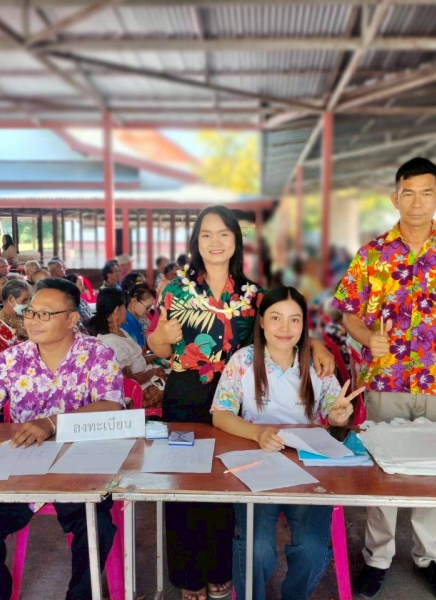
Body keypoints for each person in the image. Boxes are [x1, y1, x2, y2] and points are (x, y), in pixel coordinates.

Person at [148, 206, 335, 600]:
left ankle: (220, 570)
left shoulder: (252, 294)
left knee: (228, 486)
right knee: (184, 486)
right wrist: (162, 337)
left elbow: (283, 328)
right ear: (196, 242)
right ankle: (188, 576)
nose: (215, 242)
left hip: (237, 400)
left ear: (236, 241)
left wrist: (316, 344)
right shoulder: (174, 290)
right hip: (185, 396)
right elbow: (158, 346)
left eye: (224, 234)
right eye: (206, 234)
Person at [334, 157, 436, 600]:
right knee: (383, 470)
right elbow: (348, 313)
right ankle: (377, 557)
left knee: (434, 474)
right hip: (386, 381)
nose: (417, 202)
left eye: (426, 193)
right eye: (408, 193)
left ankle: (428, 557)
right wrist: (367, 336)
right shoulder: (372, 254)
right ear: (395, 197)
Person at [0, 277, 123, 600]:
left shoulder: (97, 355)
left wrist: (51, 423)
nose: (33, 320)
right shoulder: (13, 359)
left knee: (96, 527)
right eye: (30, 312)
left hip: (81, 467)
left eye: (45, 314)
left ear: (71, 319)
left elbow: (111, 406)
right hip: (23, 467)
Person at [212, 287, 360, 600]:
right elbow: (221, 413)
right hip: (256, 465)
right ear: (261, 321)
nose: (285, 327)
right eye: (276, 318)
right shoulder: (244, 360)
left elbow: (333, 410)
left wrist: (338, 415)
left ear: (304, 325)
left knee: (311, 547)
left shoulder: (316, 364)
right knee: (257, 547)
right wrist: (257, 434)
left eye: (294, 320)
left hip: (308, 466)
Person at [93, 288, 166, 409]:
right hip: (138, 393)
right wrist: (154, 372)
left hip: (148, 381)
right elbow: (131, 380)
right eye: (124, 308)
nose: (126, 312)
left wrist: (159, 354)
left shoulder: (120, 331)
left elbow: (138, 358)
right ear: (116, 311)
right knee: (176, 391)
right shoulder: (110, 343)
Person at [123, 284, 155, 349]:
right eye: (147, 307)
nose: (149, 311)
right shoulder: (124, 322)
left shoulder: (138, 319)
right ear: (134, 301)